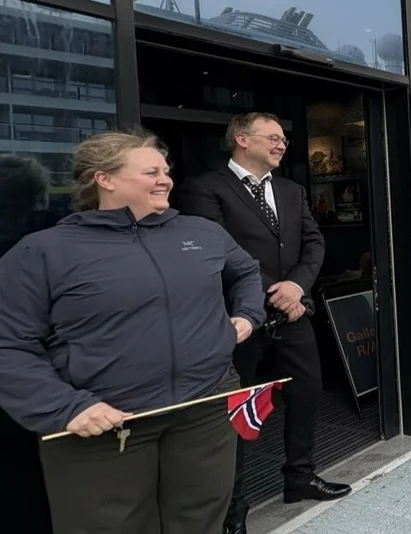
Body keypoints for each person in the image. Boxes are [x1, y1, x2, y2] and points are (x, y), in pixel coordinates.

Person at [0, 130, 266, 534]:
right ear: (104, 179)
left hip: (206, 408)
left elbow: (246, 271)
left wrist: (247, 315)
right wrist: (65, 407)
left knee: (200, 521)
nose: (166, 180)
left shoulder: (202, 233)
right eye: (150, 172)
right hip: (104, 425)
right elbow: (9, 346)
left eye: (166, 171)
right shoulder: (43, 251)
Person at [173, 112, 349, 534]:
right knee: (234, 412)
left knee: (306, 393)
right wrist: (277, 292)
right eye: (272, 136)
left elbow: (314, 242)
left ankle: (299, 477)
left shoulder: (291, 190)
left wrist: (297, 287)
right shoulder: (205, 188)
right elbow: (220, 251)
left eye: (283, 138)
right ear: (241, 139)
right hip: (239, 320)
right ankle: (233, 508)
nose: (282, 144)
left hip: (293, 313)